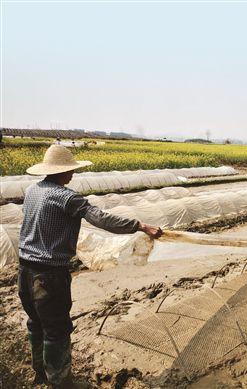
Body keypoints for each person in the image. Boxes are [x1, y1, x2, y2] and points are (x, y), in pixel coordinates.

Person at [18, 145, 163, 388]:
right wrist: (140, 225)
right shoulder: (67, 198)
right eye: (71, 170)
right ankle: (61, 383)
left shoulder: (32, 190)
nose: (73, 174)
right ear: (62, 172)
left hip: (25, 271)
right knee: (57, 329)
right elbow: (102, 219)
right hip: (49, 276)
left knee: (35, 322)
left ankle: (40, 374)